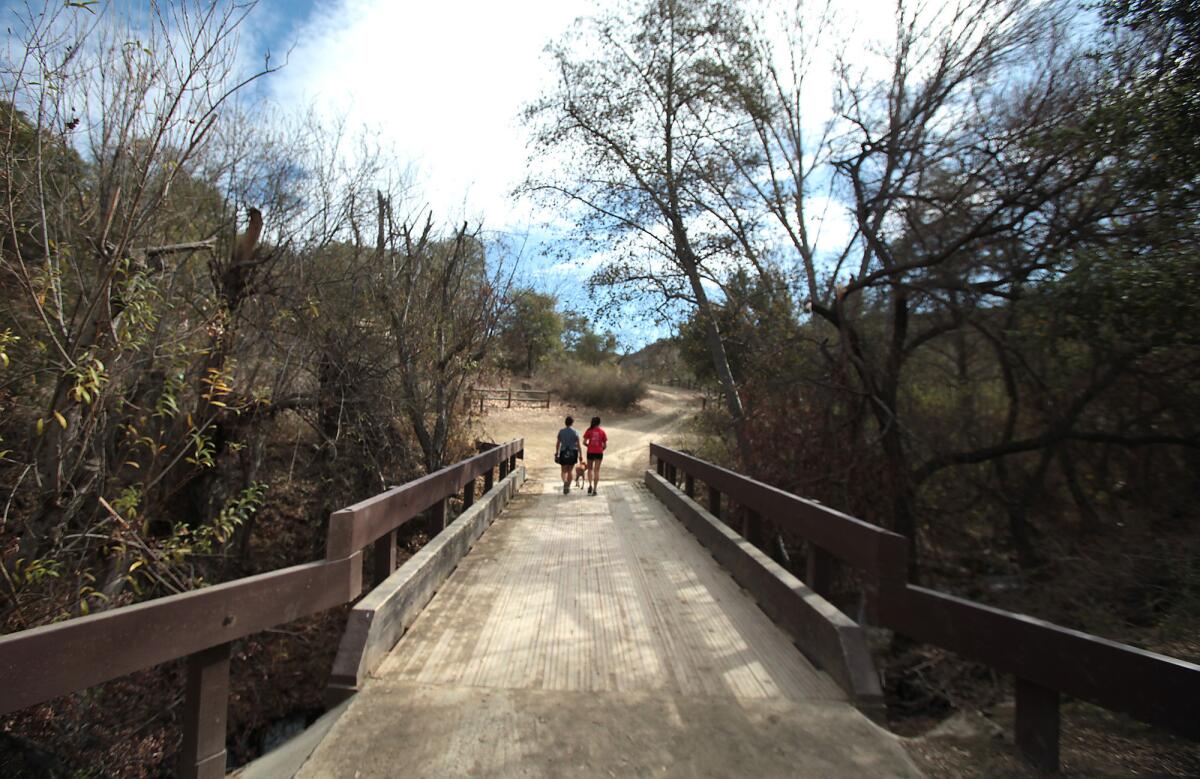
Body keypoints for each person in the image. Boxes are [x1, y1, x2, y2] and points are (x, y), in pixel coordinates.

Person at [555, 416, 581, 494]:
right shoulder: (575, 432)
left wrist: (557, 452)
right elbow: (578, 445)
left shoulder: (561, 431)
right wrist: (581, 455)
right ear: (572, 423)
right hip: (573, 452)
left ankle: (565, 482)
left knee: (563, 470)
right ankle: (568, 486)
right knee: (570, 470)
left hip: (563, 452)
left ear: (565, 423)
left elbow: (558, 443)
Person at [582, 416, 607, 495]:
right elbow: (605, 445)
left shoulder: (589, 431)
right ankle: (595, 489)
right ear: (599, 423)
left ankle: (590, 485)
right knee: (597, 470)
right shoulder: (602, 432)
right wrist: (601, 449)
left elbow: (584, 442)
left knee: (589, 469)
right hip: (599, 452)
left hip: (590, 452)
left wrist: (589, 446)